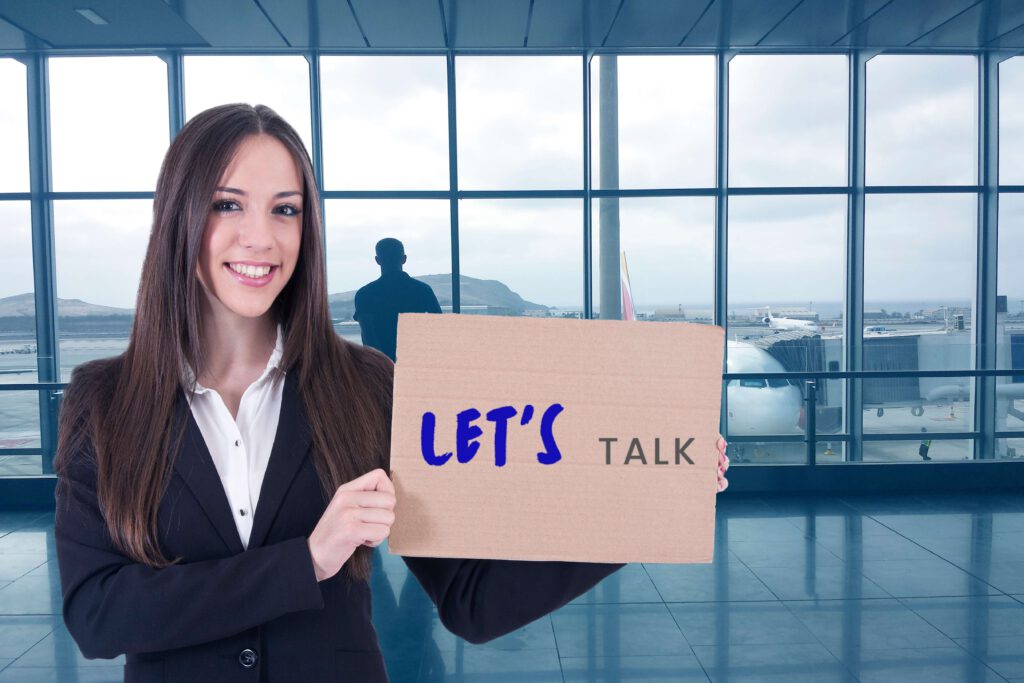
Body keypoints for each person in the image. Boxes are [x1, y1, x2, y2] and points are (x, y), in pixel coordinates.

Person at [53, 103, 730, 682]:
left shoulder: (368, 387)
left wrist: (646, 501)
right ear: (178, 216)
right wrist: (304, 561)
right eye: (228, 203)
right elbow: (98, 613)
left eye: (285, 209)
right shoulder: (103, 402)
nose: (260, 235)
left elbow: (474, 598)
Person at [354, 238, 442, 361]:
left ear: (378, 260)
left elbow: (369, 337)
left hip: (381, 369)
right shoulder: (423, 290)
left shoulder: (365, 294)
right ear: (404, 259)